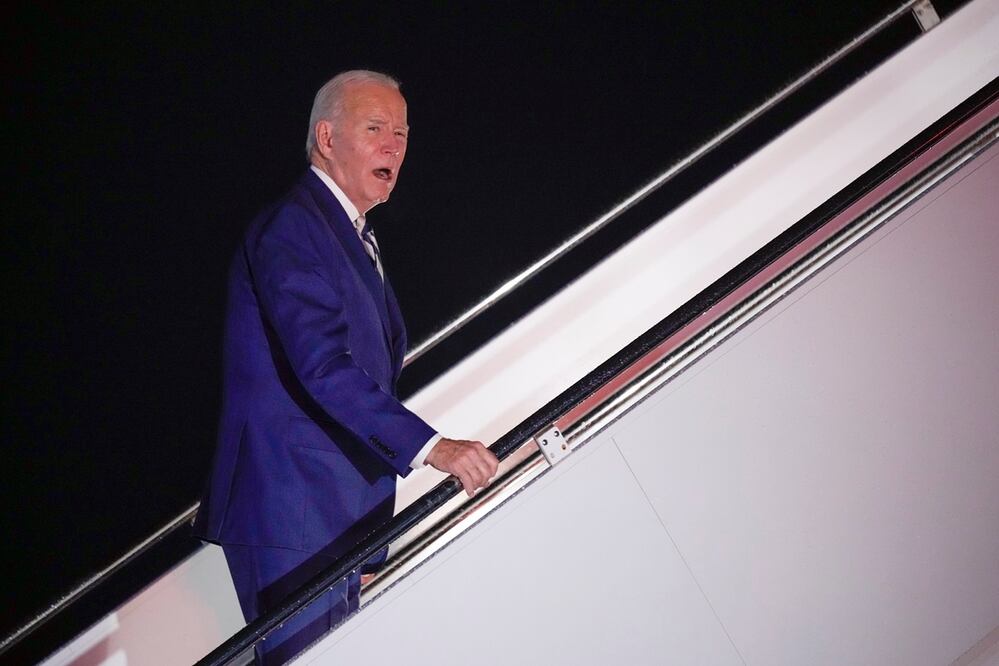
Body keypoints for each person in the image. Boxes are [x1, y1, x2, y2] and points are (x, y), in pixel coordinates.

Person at [193, 70, 499, 664]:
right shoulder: (295, 228)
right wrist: (433, 448)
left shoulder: (349, 234)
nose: (394, 146)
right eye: (376, 128)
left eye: (403, 134)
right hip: (295, 512)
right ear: (327, 139)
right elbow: (324, 366)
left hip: (333, 519)